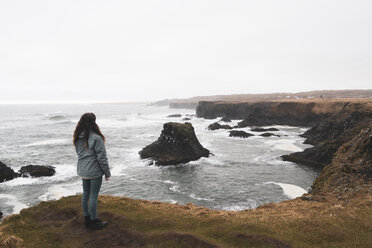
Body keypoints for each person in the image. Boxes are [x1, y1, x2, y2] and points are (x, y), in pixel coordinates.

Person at [73, 112, 111, 229]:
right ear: (94, 122)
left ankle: (87, 219)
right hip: (94, 171)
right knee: (93, 196)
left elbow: (80, 154)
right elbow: (102, 158)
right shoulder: (96, 138)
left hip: (83, 170)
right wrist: (107, 173)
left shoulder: (77, 137)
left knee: (85, 194)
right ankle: (94, 222)